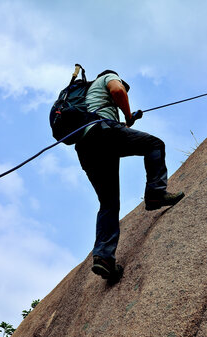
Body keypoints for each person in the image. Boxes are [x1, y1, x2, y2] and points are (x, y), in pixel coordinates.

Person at [75, 70, 184, 281]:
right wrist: (127, 114)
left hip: (87, 147)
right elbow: (117, 90)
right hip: (103, 133)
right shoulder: (107, 77)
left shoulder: (88, 97)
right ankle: (156, 194)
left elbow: (114, 121)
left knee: (108, 203)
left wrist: (125, 121)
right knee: (154, 144)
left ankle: (104, 258)